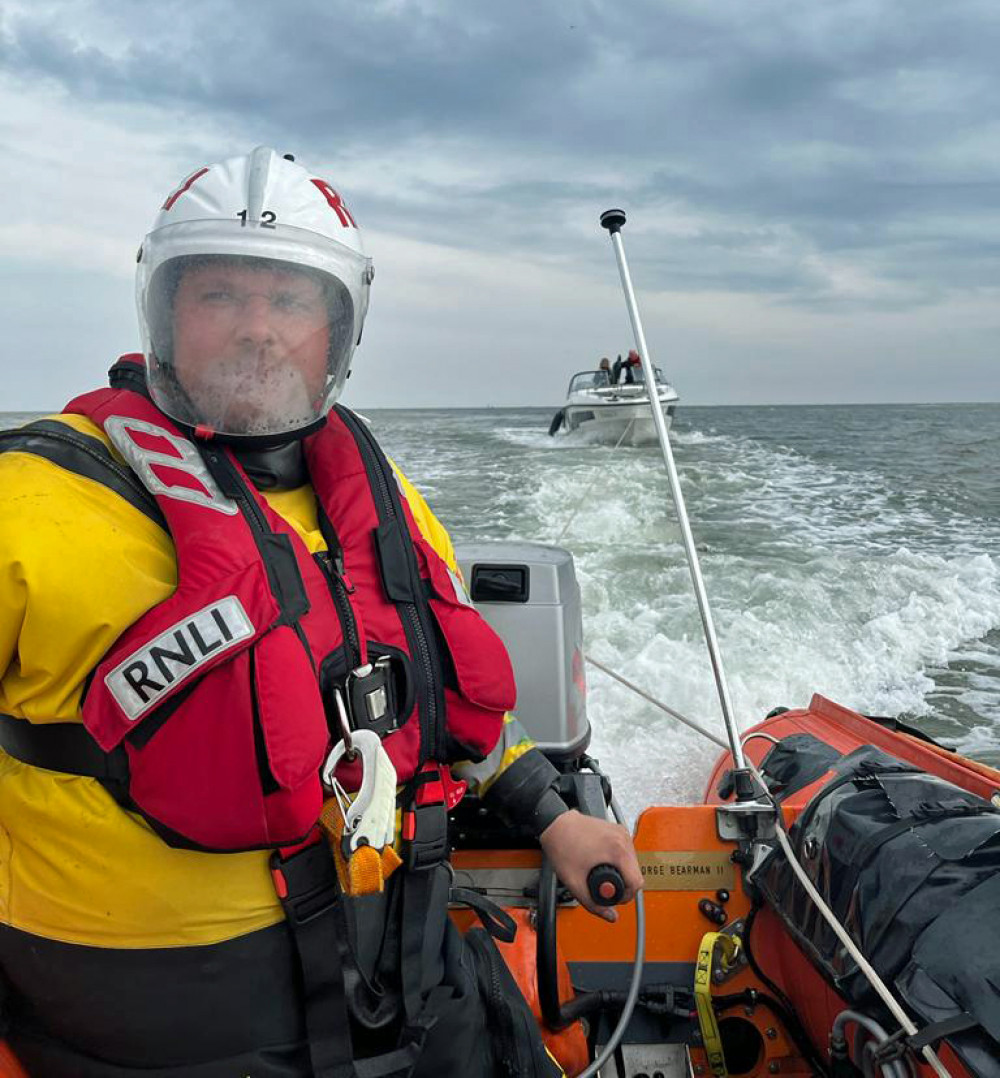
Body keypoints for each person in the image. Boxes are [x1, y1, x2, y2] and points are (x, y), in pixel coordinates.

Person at [0, 148, 642, 1077]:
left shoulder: (390, 509)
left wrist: (552, 816)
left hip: (407, 987)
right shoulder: (30, 499)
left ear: (335, 333)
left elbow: (436, 695)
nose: (257, 330)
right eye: (219, 295)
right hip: (146, 1038)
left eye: (290, 301)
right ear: (165, 313)